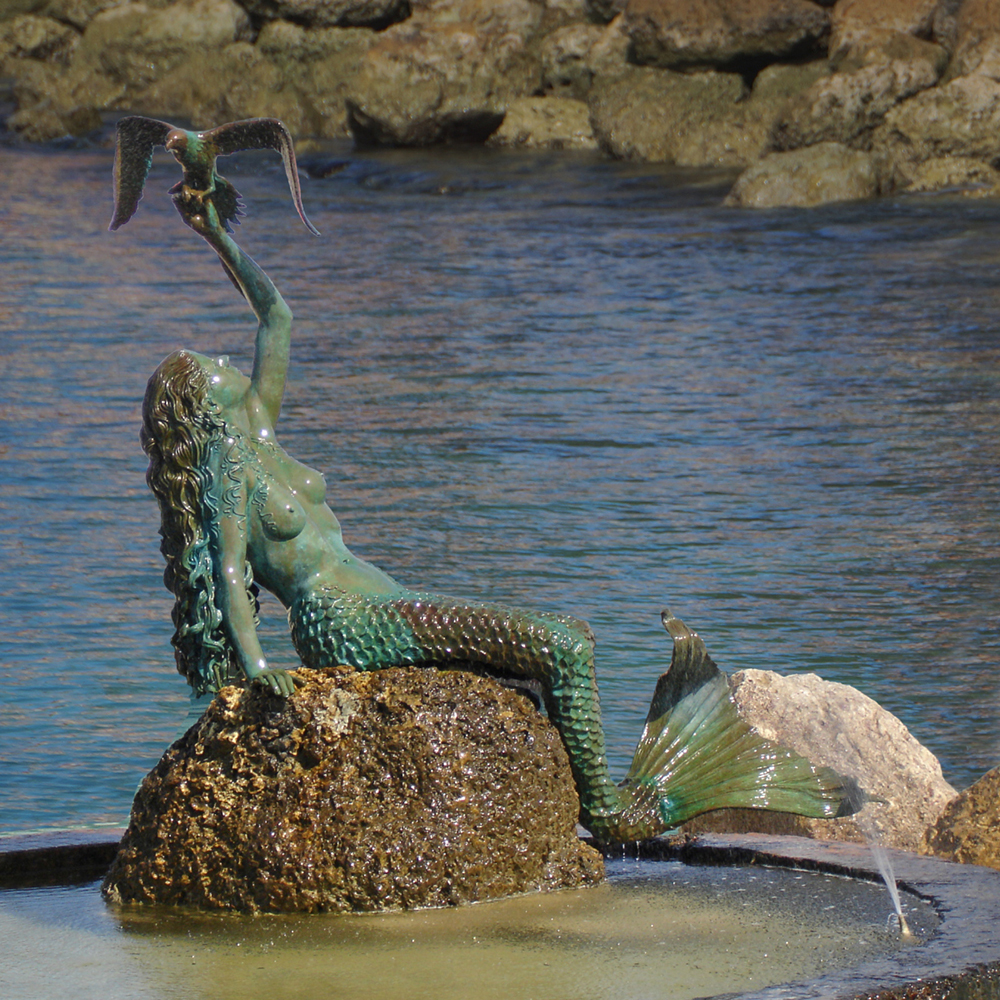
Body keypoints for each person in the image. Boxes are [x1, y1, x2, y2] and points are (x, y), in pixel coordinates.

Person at [138, 176, 858, 843]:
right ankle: (606, 812)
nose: (223, 361)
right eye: (208, 367)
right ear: (201, 410)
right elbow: (230, 575)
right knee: (565, 646)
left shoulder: (261, 428)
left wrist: (216, 235)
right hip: (344, 622)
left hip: (382, 602)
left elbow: (277, 316)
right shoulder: (229, 473)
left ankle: (606, 792)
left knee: (545, 660)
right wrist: (262, 668)